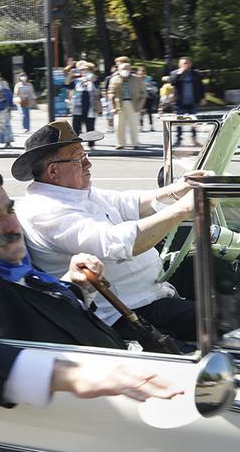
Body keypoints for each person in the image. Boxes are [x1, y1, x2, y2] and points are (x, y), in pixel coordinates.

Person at [0, 171, 183, 408]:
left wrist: (74, 285)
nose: (12, 225)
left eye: (10, 211)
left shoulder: (10, 271)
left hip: (132, 365)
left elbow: (34, 313)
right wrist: (71, 376)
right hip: (113, 396)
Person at [13, 121, 201, 345]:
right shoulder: (44, 211)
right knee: (223, 326)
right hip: (124, 316)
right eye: (79, 158)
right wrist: (184, 208)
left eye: (85, 155)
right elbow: (117, 243)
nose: (88, 164)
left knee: (227, 316)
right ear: (53, 171)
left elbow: (128, 202)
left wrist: (176, 190)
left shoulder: (76, 191)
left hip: (151, 298)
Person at [106, 57, 145, 149]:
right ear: (118, 69)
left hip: (133, 104)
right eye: (123, 69)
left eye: (127, 68)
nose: (125, 70)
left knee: (134, 125)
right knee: (118, 125)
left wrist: (140, 105)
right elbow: (110, 93)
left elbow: (143, 93)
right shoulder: (114, 79)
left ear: (130, 69)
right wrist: (113, 107)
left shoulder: (137, 79)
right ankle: (121, 143)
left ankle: (135, 143)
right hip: (119, 104)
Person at [169, 57, 205, 145]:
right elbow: (172, 82)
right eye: (184, 63)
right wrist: (179, 73)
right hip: (180, 101)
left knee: (194, 121)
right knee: (179, 122)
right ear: (179, 64)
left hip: (192, 101)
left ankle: (194, 139)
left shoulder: (196, 73)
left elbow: (201, 86)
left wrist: (203, 97)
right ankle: (178, 139)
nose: (186, 65)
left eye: (187, 63)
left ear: (190, 64)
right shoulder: (174, 73)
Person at [67, 61, 101, 147]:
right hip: (77, 107)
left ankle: (91, 143)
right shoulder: (76, 81)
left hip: (90, 107)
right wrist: (70, 75)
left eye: (85, 70)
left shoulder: (93, 79)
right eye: (81, 70)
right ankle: (75, 144)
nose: (83, 71)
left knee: (90, 126)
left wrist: (89, 77)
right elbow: (67, 83)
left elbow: (95, 82)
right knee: (76, 126)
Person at [139, 67, 158, 132]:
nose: (142, 73)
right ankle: (141, 126)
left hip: (148, 97)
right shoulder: (137, 79)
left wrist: (149, 87)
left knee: (150, 112)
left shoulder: (148, 78)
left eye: (143, 71)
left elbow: (152, 86)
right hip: (140, 97)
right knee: (141, 112)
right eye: (141, 71)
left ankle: (151, 126)